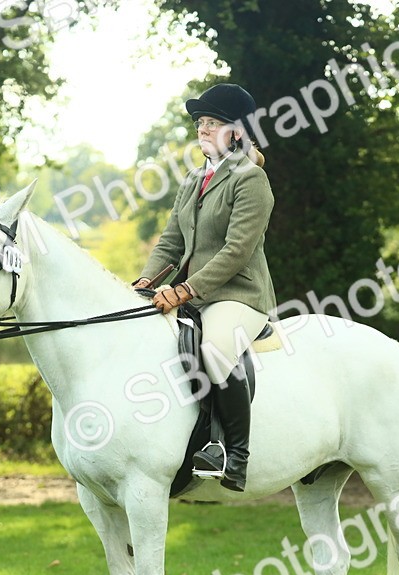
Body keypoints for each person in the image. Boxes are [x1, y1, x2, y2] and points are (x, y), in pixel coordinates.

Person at [133, 83, 277, 492]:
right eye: (200, 123)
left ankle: (235, 454)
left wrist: (183, 291)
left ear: (237, 131)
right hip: (195, 293)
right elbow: (170, 242)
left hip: (239, 295)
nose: (202, 129)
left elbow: (235, 251)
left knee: (215, 347)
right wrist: (146, 280)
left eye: (212, 123)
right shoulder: (194, 179)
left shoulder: (251, 181)